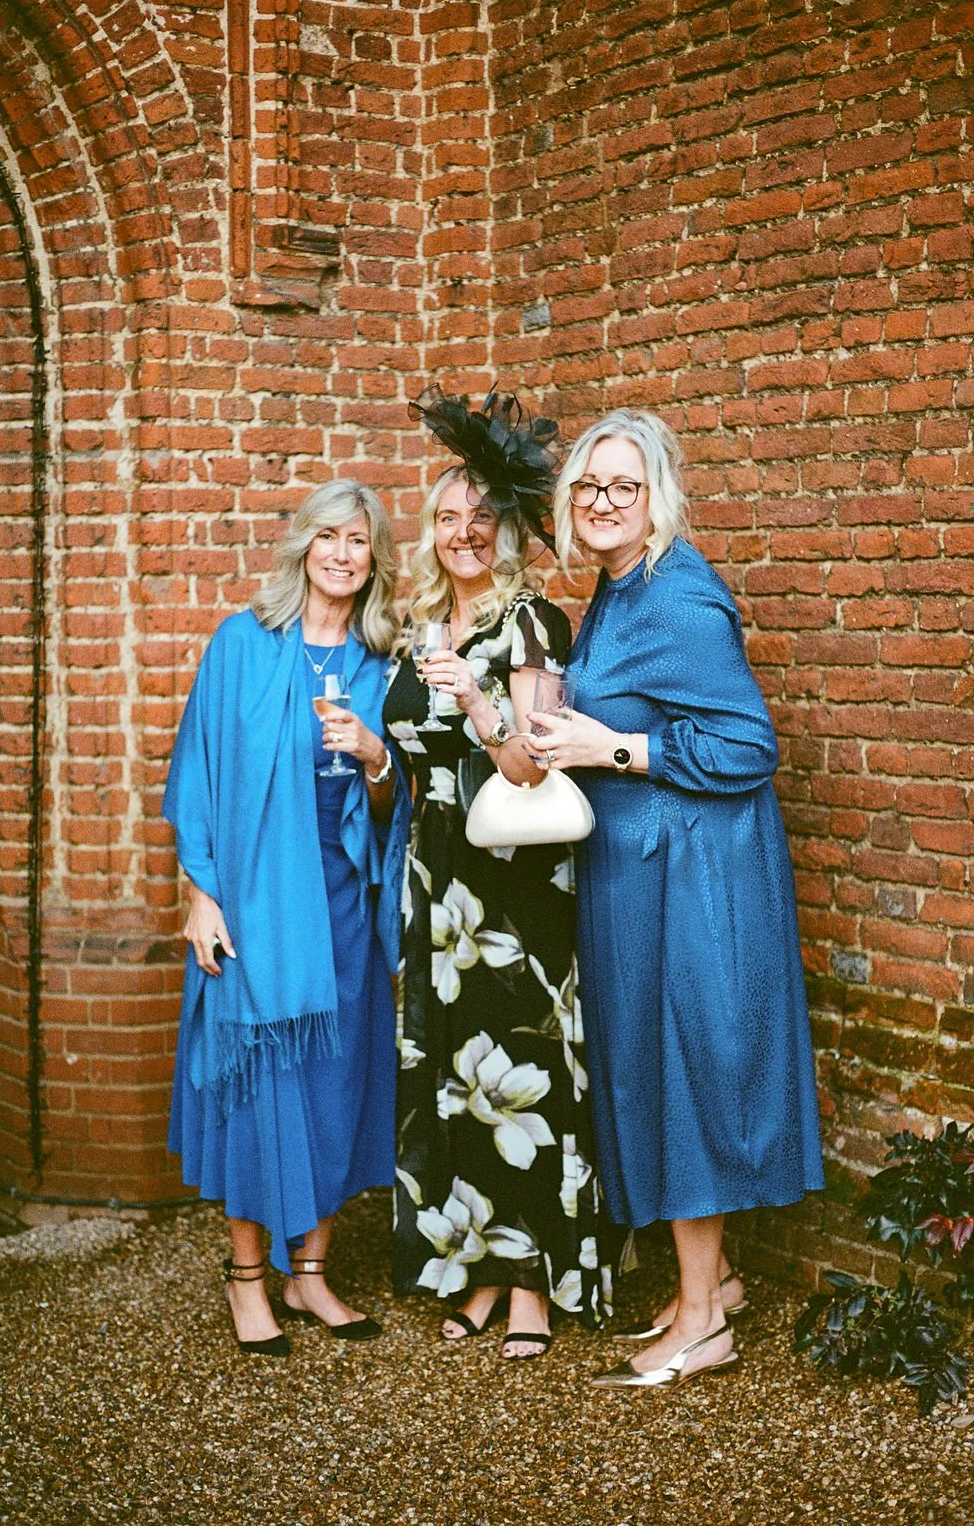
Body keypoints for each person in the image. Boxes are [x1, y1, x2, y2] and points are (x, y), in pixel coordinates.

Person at [529, 410, 824, 1389]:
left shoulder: (681, 593)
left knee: (690, 1075)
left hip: (693, 884)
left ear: (657, 496)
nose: (603, 501)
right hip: (636, 876)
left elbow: (748, 747)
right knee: (654, 1071)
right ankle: (717, 1282)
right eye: (588, 486)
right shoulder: (611, 594)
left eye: (623, 485)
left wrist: (604, 746)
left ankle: (703, 1323)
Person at [386, 390, 613, 1361]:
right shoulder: (420, 624)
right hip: (435, 879)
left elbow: (532, 761)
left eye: (480, 519)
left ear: (506, 530)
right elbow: (407, 756)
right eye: (446, 518)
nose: (463, 533)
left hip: (512, 881)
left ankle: (534, 1281)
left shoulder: (531, 627)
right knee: (453, 1073)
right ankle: (474, 1259)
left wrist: (477, 699)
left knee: (519, 1068)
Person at [164, 479, 408, 1356]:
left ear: (376, 560)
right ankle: (245, 1281)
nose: (345, 555)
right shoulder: (242, 646)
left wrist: (377, 756)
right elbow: (198, 774)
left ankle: (310, 1276)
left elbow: (396, 811)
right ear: (303, 545)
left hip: (345, 903)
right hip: (260, 904)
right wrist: (201, 895)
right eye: (330, 537)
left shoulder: (383, 665)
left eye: (361, 542)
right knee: (260, 1078)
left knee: (336, 1078)